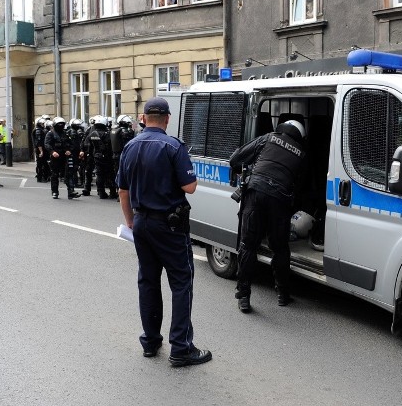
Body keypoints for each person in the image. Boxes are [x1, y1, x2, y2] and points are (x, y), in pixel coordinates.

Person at [117, 97, 211, 368]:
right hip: (169, 225)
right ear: (167, 119)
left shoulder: (130, 147)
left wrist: (132, 223)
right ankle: (181, 347)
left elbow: (123, 191)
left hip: (142, 223)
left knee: (147, 281)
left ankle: (150, 341)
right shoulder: (173, 146)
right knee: (181, 282)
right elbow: (190, 187)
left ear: (143, 118)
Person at [229, 119, 307, 313]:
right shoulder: (302, 154)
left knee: (248, 245)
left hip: (255, 193)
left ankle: (244, 297)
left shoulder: (268, 138)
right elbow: (303, 187)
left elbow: (235, 159)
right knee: (280, 248)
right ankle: (282, 294)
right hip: (280, 200)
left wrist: (247, 174)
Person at [44, 117, 81, 200]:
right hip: (55, 158)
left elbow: (71, 144)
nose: (61, 125)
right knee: (55, 175)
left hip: (65, 157)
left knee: (69, 174)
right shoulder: (50, 133)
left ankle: (71, 192)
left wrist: (69, 150)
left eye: (62, 124)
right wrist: (52, 152)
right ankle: (55, 192)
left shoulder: (65, 133)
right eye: (59, 124)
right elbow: (47, 144)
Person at [86, 116, 117, 199]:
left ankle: (101, 192)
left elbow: (89, 146)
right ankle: (113, 192)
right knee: (110, 174)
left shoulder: (92, 134)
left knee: (99, 175)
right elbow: (111, 146)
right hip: (107, 157)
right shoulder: (107, 134)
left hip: (96, 156)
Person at [111, 115, 136, 196]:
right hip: (123, 155)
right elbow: (129, 144)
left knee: (116, 173)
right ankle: (122, 194)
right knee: (123, 175)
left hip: (115, 154)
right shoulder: (124, 132)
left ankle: (116, 192)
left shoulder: (114, 130)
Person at [33, 118, 49, 183]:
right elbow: (38, 142)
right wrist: (41, 151)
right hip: (40, 149)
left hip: (41, 149)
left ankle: (43, 177)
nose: (43, 125)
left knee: (43, 163)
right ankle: (40, 178)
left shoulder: (40, 130)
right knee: (40, 164)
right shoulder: (38, 131)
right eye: (42, 123)